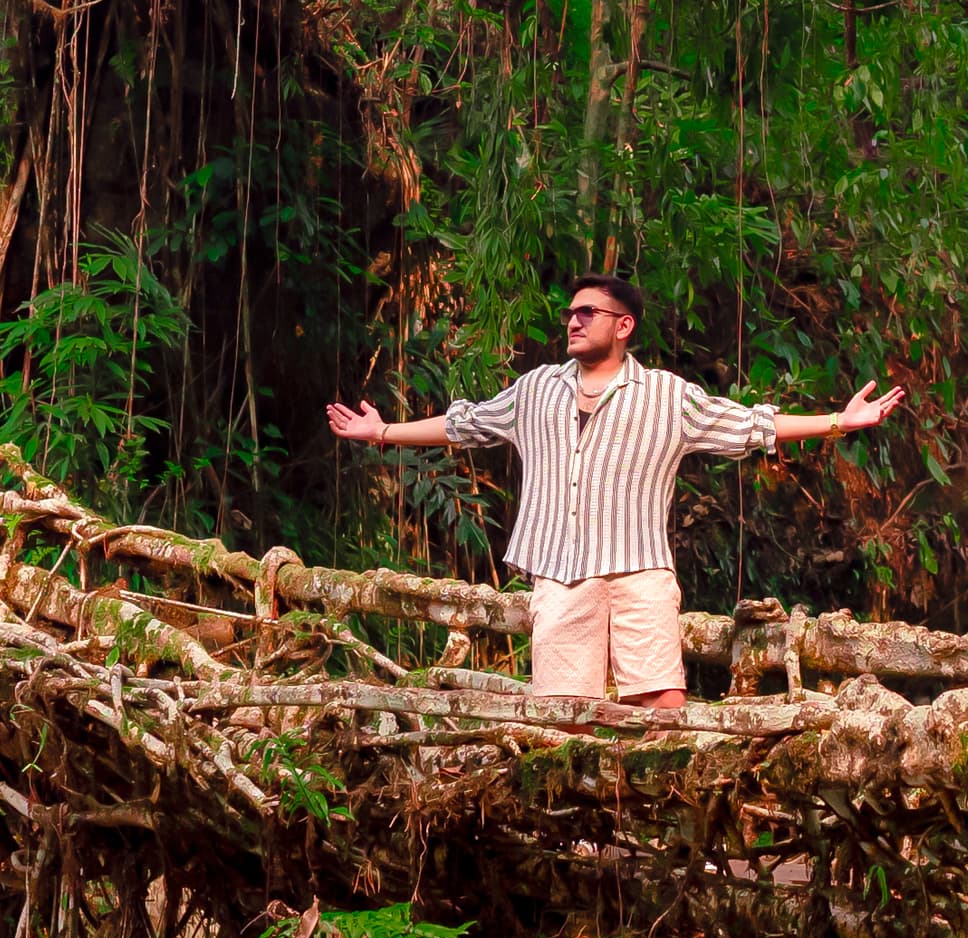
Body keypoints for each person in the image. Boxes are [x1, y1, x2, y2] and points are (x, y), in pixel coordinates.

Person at [324, 276, 902, 710]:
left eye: (587, 312)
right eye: (570, 314)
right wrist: (381, 431)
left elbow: (750, 425)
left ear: (622, 325)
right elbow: (463, 424)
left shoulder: (666, 396)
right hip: (560, 569)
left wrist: (837, 422)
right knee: (562, 717)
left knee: (661, 706)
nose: (573, 322)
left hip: (638, 569)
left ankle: (660, 832)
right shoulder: (536, 390)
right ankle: (577, 845)